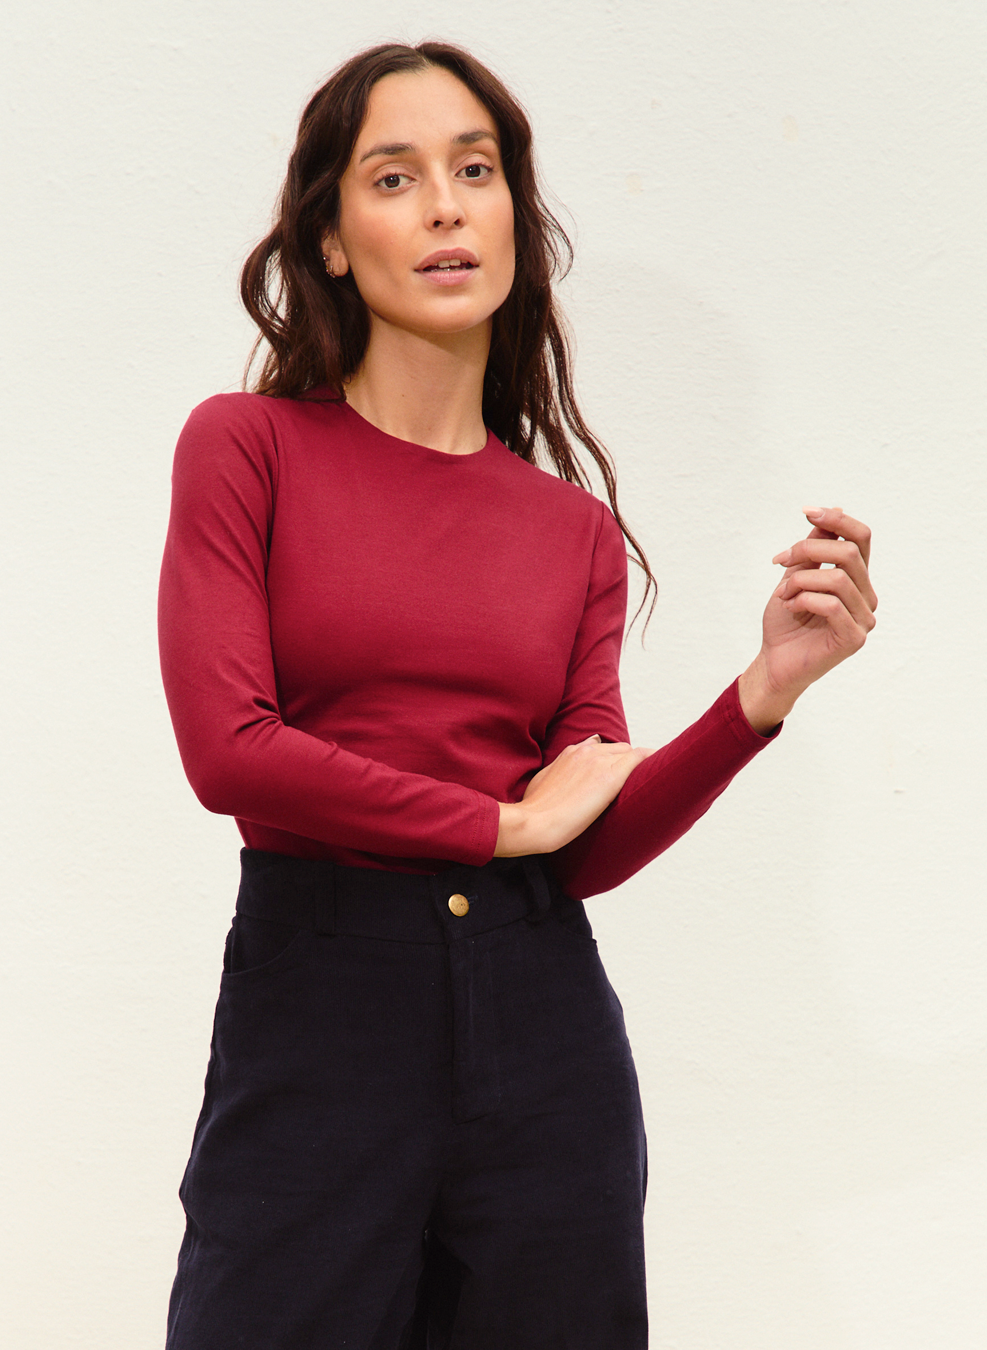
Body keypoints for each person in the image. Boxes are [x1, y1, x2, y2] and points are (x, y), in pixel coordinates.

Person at [157, 40, 876, 1350]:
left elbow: (579, 839)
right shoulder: (246, 447)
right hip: (319, 1011)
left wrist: (761, 694)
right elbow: (231, 751)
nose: (445, 205)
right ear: (331, 239)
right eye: (395, 176)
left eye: (475, 170)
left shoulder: (571, 532)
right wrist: (498, 824)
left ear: (514, 216)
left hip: (545, 1030)